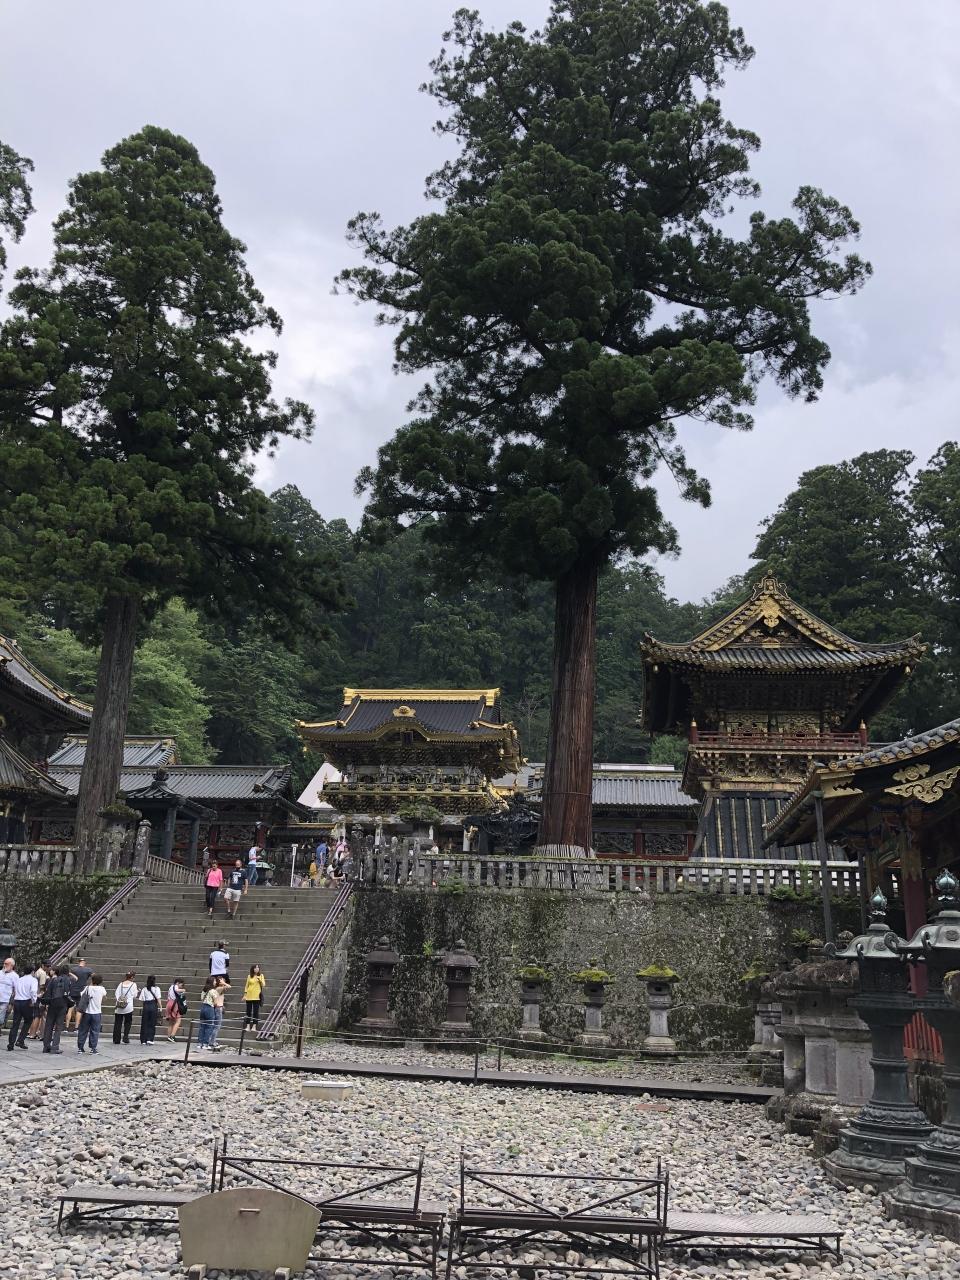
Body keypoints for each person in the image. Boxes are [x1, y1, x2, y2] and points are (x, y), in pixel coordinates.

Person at [41, 965, 74, 1054]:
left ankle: (46, 1046)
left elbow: (48, 992)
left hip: (52, 1003)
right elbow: (68, 993)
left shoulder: (53, 979)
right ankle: (55, 1047)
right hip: (62, 1004)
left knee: (49, 1025)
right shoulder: (68, 980)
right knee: (58, 1026)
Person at [6, 963, 38, 1051]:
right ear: (32, 971)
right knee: (28, 1021)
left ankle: (10, 1044)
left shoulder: (19, 980)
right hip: (26, 1002)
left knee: (15, 1023)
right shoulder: (33, 980)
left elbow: (14, 991)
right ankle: (20, 1040)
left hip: (17, 1001)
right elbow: (33, 991)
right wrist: (33, 1001)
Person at [76, 973, 106, 1054]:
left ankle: (80, 1048)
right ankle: (93, 1048)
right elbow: (104, 998)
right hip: (97, 1012)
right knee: (95, 1031)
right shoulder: (102, 989)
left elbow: (82, 995)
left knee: (83, 1030)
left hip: (87, 1012)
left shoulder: (87, 988)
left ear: (92, 980)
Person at [66, 958, 92, 1031]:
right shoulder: (88, 970)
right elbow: (94, 976)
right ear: (84, 963)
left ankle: (66, 1027)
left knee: (70, 1009)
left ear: (78, 962)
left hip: (72, 991)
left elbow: (68, 974)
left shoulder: (73, 969)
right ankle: (76, 1027)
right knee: (79, 1010)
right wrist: (90, 985)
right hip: (82, 991)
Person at [113, 972, 137, 1044]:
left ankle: (116, 1039)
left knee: (118, 1022)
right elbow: (135, 995)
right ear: (132, 977)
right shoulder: (133, 984)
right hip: (128, 1005)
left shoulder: (121, 984)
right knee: (128, 1022)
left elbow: (116, 994)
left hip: (119, 1005)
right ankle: (125, 1037)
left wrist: (119, 1000)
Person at [28, 962, 50, 1040]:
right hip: (39, 996)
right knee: (38, 1016)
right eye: (47, 966)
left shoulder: (37, 972)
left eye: (49, 966)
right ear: (43, 965)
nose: (48, 967)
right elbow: (42, 986)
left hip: (35, 995)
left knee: (35, 1016)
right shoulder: (43, 973)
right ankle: (33, 1033)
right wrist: (43, 994)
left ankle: (31, 1033)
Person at [138, 975, 161, 1044]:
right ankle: (150, 1039)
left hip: (146, 1005)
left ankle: (143, 1039)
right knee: (152, 1022)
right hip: (153, 1004)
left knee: (144, 1022)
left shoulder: (144, 989)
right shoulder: (157, 988)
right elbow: (158, 998)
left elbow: (141, 999)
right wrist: (160, 1006)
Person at [196, 978, 217, 1051]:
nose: (215, 982)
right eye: (214, 981)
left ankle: (199, 1043)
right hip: (209, 1008)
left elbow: (202, 999)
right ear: (212, 982)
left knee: (202, 1026)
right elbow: (215, 1002)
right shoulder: (213, 991)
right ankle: (205, 1044)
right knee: (209, 1026)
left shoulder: (204, 990)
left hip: (203, 1007)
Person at [243, 964, 266, 1031]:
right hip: (249, 996)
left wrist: (259, 980)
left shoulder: (261, 975)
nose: (257, 969)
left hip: (256, 997)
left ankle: (254, 1026)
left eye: (258, 967)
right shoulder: (249, 976)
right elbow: (246, 986)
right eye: (255, 968)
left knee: (255, 1012)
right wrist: (245, 995)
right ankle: (247, 1026)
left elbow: (263, 984)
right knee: (248, 1012)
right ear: (253, 969)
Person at [211, 974, 230, 1050]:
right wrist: (223, 983)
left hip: (218, 1007)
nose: (224, 981)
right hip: (218, 1008)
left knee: (216, 1026)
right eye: (222, 980)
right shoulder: (219, 988)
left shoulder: (219, 988)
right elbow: (229, 986)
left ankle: (212, 1040)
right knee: (217, 1026)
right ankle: (212, 1041)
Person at [0, 957, 16, 1029]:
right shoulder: (0, 973)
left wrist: (12, 1002)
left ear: (12, 966)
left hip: (5, 1000)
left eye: (6, 964)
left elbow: (16, 990)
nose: (4, 965)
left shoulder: (15, 976)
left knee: (1, 1019)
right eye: (4, 963)